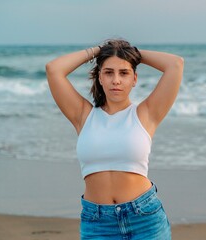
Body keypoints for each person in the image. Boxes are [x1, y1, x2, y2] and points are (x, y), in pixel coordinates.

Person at [46, 39, 184, 239]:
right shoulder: (83, 115)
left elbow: (175, 64)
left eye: (124, 73)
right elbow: (54, 69)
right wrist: (98, 51)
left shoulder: (146, 113)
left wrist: (127, 52)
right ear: (100, 78)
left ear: (134, 79)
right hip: (97, 223)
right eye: (108, 72)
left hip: (144, 218)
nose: (116, 80)